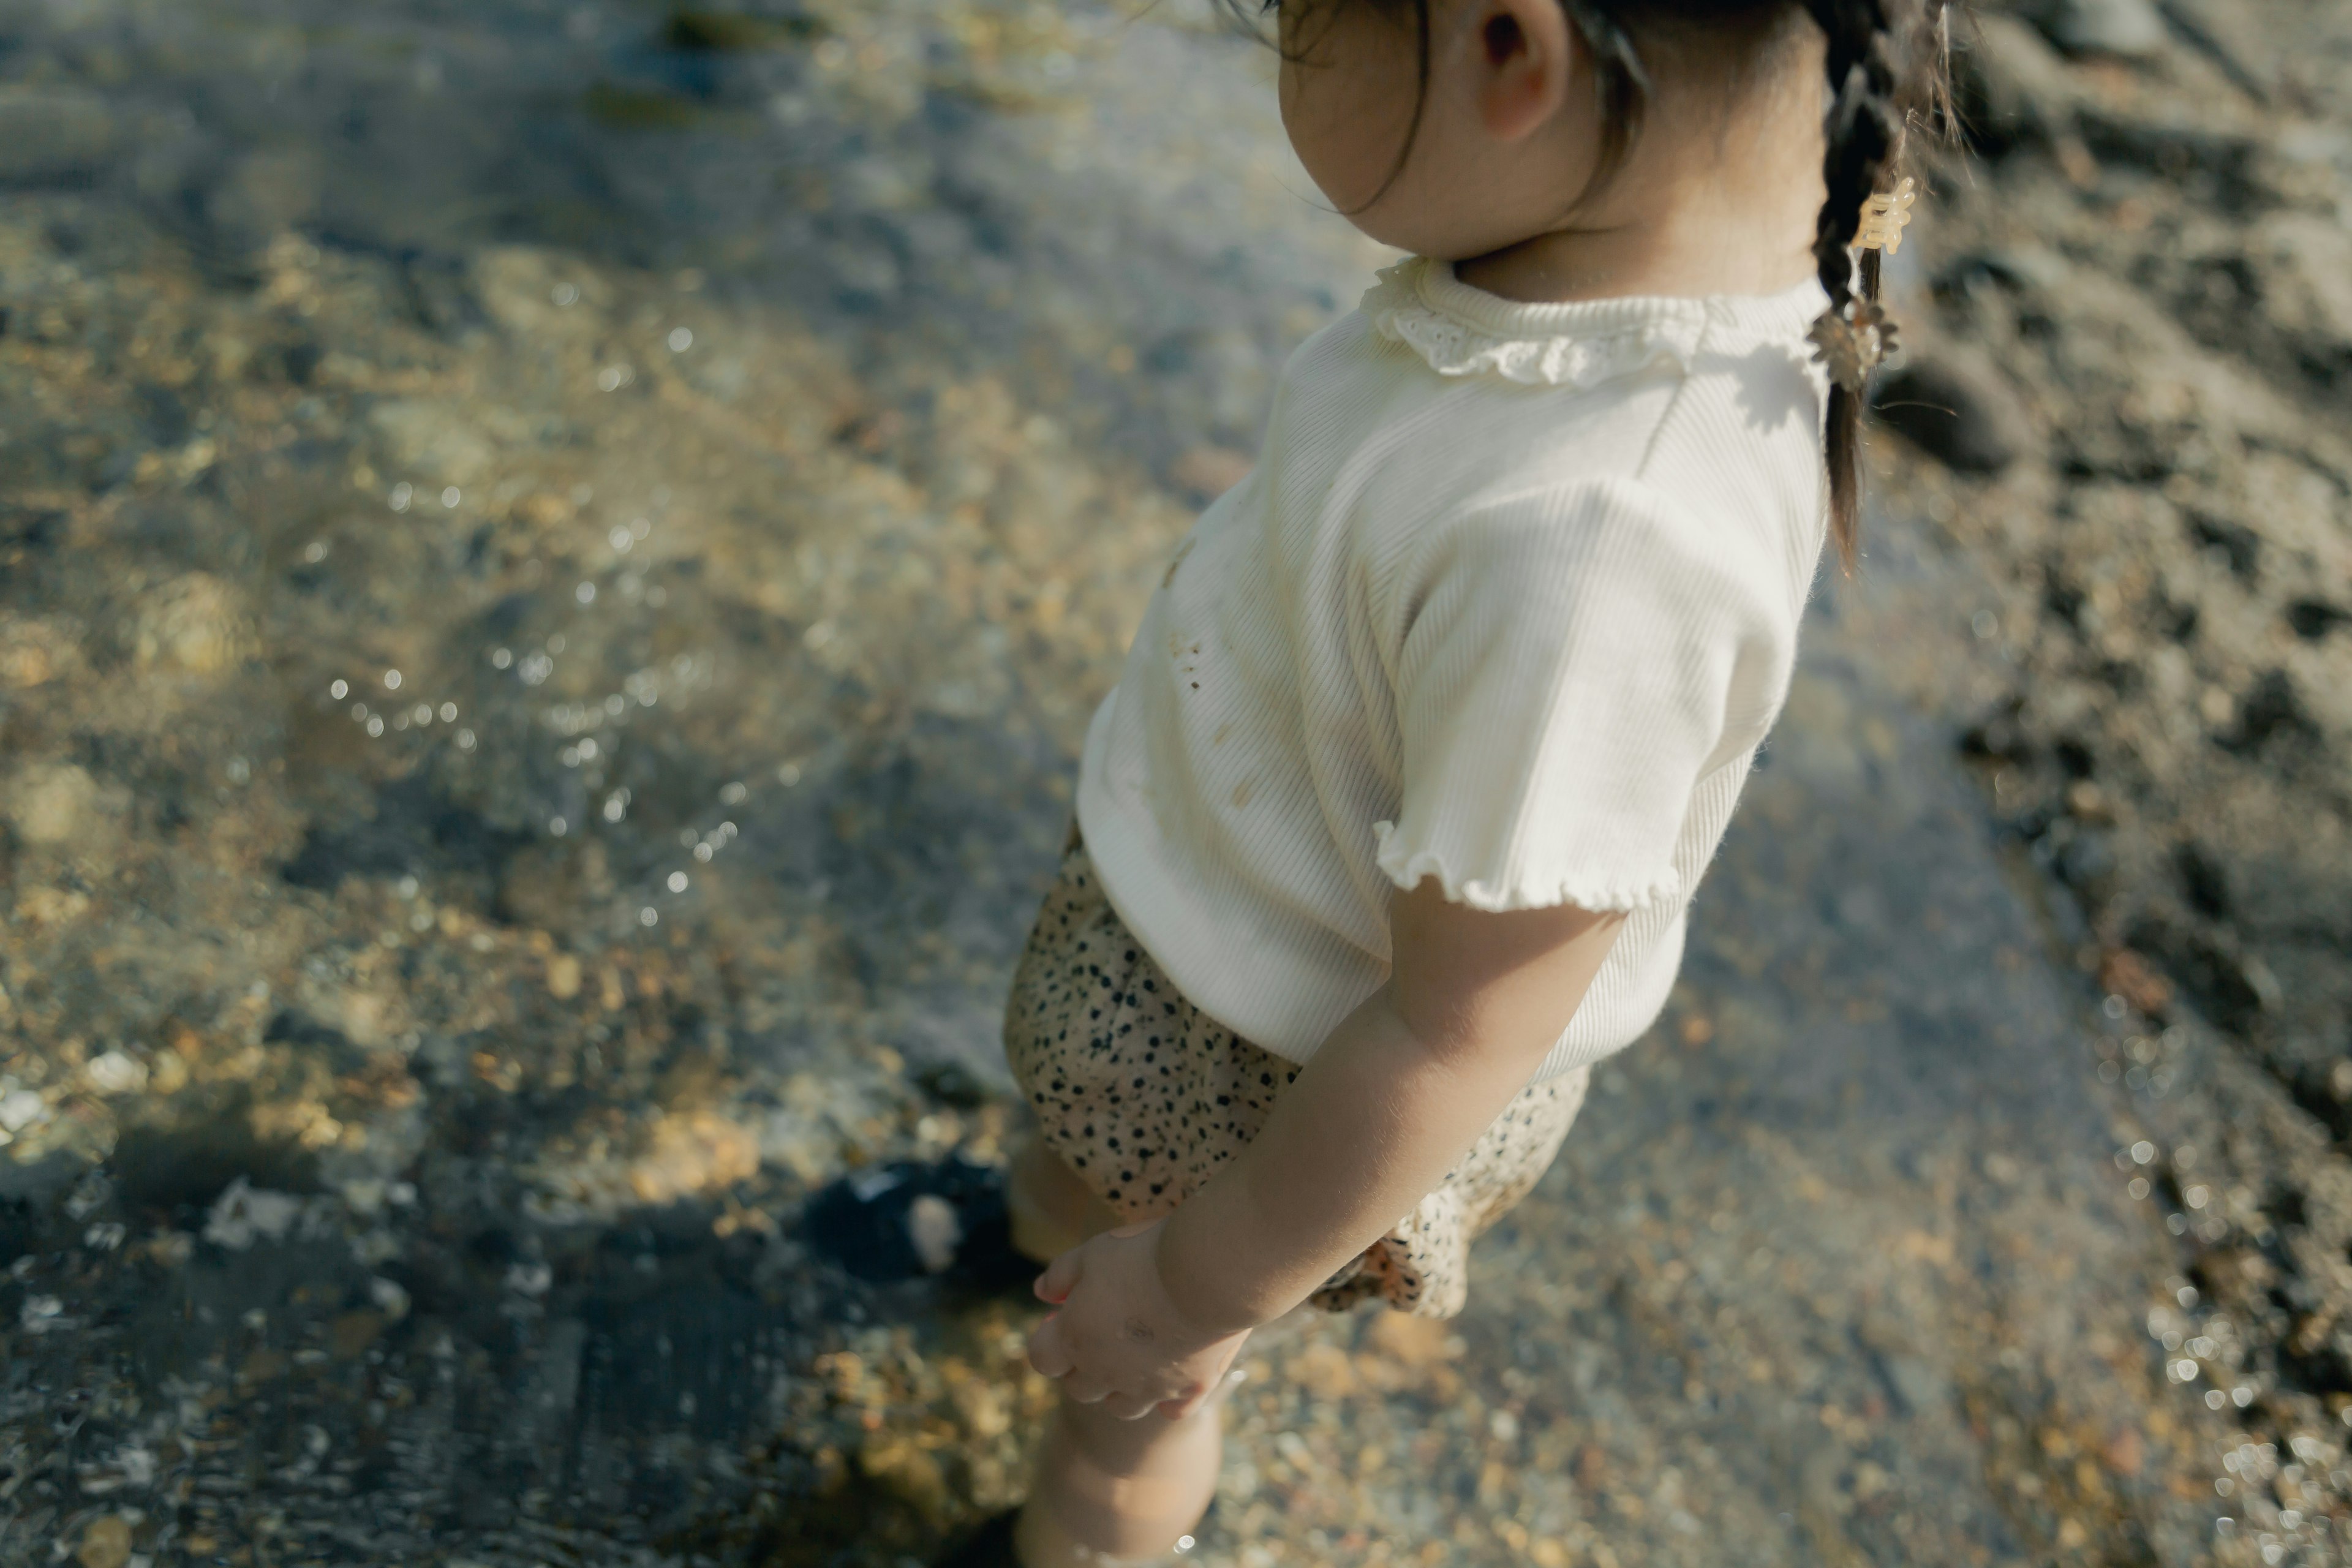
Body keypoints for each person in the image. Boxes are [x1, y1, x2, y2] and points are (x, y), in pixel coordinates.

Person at [947, 0, 1949, 1561]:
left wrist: (1195, 1289)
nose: (1276, 52)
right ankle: (1031, 1239)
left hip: (1277, 1076)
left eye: (1285, 22)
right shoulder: (1597, 254)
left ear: (1506, 51)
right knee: (1076, 1186)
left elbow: (1459, 1025)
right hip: (1206, 938)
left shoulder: (1604, 538)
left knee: (1129, 1410)